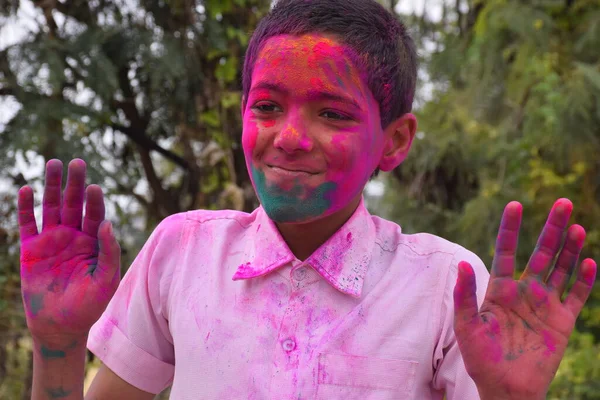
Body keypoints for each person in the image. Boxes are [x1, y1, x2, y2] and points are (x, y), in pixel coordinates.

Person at [18, 0, 596, 399]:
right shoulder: (182, 251)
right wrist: (59, 346)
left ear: (393, 142)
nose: (289, 137)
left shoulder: (447, 287)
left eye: (333, 113)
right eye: (267, 106)